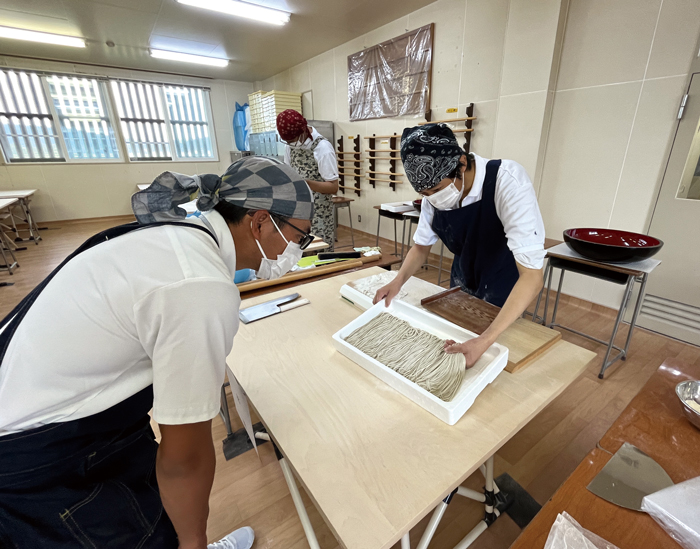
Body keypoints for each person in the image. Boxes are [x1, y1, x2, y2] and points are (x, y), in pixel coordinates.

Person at [0, 157, 315, 549]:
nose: (298, 251)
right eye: (299, 238)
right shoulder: (200, 286)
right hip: (36, 454)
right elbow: (184, 458)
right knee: (145, 536)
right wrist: (194, 542)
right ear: (260, 222)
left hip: (49, 407)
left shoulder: (182, 234)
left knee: (151, 506)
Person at [374, 124, 545, 367]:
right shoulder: (431, 198)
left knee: (496, 358)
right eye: (424, 193)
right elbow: (421, 247)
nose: (432, 198)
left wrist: (485, 340)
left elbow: (532, 277)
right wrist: (397, 281)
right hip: (463, 278)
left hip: (506, 283)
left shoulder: (507, 181)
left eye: (437, 189)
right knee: (455, 348)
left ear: (462, 164)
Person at [277, 109, 339, 251]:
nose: (290, 144)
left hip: (319, 214)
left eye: (292, 141)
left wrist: (306, 184)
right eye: (287, 142)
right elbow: (288, 171)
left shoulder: (322, 148)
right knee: (299, 253)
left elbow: (333, 187)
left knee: (319, 254)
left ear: (303, 131)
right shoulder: (290, 147)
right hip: (298, 212)